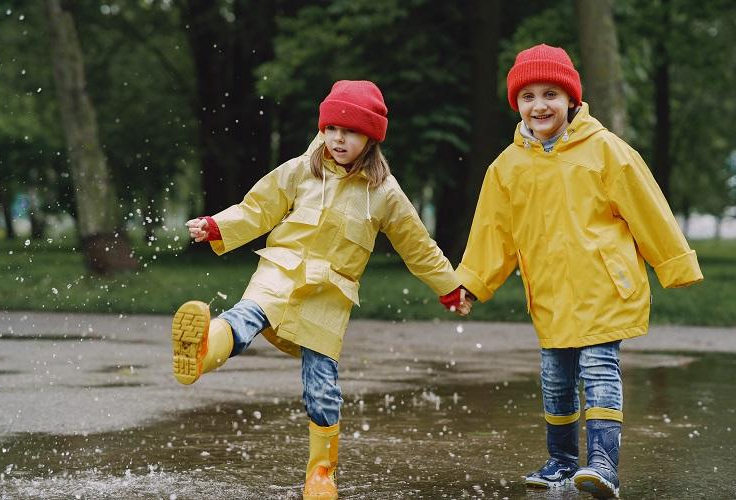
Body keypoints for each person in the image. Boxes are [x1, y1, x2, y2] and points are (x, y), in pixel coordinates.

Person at [171, 80, 470, 500]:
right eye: (331, 128)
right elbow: (259, 208)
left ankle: (321, 473)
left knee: (322, 387)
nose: (338, 138)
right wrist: (217, 224)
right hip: (281, 272)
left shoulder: (384, 193)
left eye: (350, 131)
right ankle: (202, 350)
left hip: (330, 294)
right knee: (246, 316)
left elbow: (418, 245)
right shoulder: (301, 169)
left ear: (372, 137)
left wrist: (450, 288)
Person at [455, 44, 703, 499]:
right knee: (555, 379)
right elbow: (493, 233)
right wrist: (471, 282)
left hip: (604, 287)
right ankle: (562, 461)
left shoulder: (605, 150)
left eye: (551, 93)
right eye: (528, 96)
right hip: (549, 294)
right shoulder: (507, 168)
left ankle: (603, 464)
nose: (540, 105)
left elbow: (647, 208)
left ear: (571, 99)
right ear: (517, 104)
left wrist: (674, 263)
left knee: (599, 370)